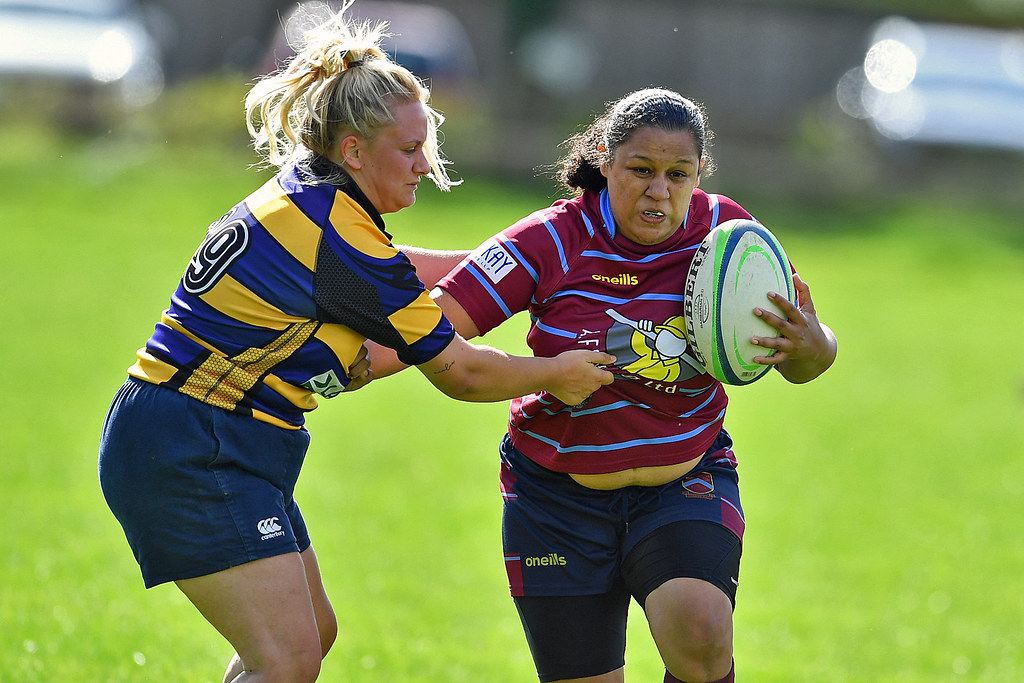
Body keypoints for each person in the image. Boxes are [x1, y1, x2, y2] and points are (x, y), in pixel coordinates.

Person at [96, 3, 614, 681]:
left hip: (207, 433)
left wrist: (528, 269)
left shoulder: (319, 196)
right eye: (409, 149)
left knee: (309, 635)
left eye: (426, 145)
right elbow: (461, 373)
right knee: (285, 660)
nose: (425, 164)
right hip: (195, 443)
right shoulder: (339, 235)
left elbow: (398, 270)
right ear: (353, 151)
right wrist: (555, 372)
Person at [377, 88, 837, 682]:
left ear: (699, 174)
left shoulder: (728, 234)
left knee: (700, 627)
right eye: (641, 170)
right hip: (556, 499)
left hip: (683, 480)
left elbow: (805, 357)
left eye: (679, 174)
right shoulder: (549, 239)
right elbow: (433, 333)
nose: (659, 191)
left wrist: (814, 345)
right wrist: (337, 368)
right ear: (603, 159)